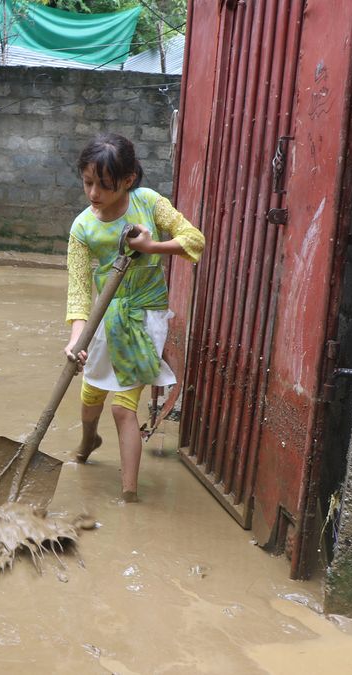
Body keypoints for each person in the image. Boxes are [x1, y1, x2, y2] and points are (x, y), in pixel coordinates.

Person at [64, 132, 204, 503]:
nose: (94, 193)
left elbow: (194, 240)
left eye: (104, 186)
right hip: (103, 317)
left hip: (145, 316)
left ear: (128, 181)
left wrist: (152, 246)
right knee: (91, 392)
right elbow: (78, 292)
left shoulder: (149, 204)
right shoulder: (82, 228)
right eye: (88, 183)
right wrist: (75, 339)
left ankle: (129, 496)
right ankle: (87, 440)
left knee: (123, 408)